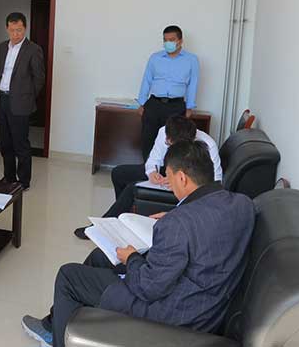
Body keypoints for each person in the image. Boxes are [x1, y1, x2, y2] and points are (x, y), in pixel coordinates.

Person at [22, 141, 255, 347]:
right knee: (99, 257)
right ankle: (60, 323)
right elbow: (208, 226)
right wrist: (177, 215)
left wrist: (132, 257)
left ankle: (57, 338)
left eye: (169, 177)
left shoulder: (179, 223)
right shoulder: (243, 204)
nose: (169, 184)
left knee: (68, 276)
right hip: (206, 301)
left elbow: (149, 287)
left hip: (174, 312)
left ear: (182, 177)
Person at [74, 115, 222, 239]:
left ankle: (100, 228)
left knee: (132, 188)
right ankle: (121, 215)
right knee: (119, 173)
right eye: (167, 142)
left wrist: (178, 183)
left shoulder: (208, 145)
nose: (167, 143)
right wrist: (152, 173)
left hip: (188, 185)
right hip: (166, 173)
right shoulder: (165, 132)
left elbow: (215, 183)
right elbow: (153, 160)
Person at [0, 12, 45, 190]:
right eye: (12, 30)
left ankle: (23, 181)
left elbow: (39, 78)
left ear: (25, 28)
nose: (16, 34)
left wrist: (27, 97)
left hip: (21, 103)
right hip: (3, 99)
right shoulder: (2, 47)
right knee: (5, 143)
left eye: (19, 30)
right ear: (7, 29)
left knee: (21, 144)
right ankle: (9, 177)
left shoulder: (33, 49)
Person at [138, 25, 199, 161]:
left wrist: (189, 107)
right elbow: (146, 80)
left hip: (176, 106)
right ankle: (148, 169)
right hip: (154, 104)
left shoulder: (191, 60)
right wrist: (142, 103)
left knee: (173, 141)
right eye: (165, 40)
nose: (168, 43)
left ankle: (168, 171)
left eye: (171, 40)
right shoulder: (155, 58)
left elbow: (193, 84)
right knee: (148, 138)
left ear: (180, 41)